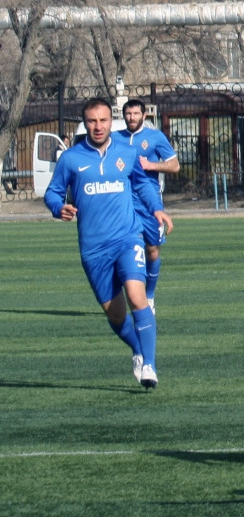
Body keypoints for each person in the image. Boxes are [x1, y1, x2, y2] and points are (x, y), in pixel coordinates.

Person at [44, 98, 173, 388]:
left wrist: (157, 209)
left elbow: (142, 184)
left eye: (103, 120)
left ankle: (150, 365)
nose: (98, 126)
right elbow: (52, 192)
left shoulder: (126, 154)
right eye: (92, 121)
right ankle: (138, 350)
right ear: (85, 123)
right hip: (93, 249)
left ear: (109, 121)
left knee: (137, 297)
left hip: (128, 238)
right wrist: (57, 207)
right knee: (115, 315)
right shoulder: (71, 159)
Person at [113, 99, 179, 314]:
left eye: (135, 113)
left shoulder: (155, 137)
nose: (131, 117)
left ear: (144, 115)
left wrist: (151, 165)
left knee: (151, 250)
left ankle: (149, 295)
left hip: (149, 199)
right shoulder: (115, 139)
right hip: (123, 200)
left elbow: (174, 165)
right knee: (127, 247)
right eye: (128, 114)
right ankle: (131, 296)